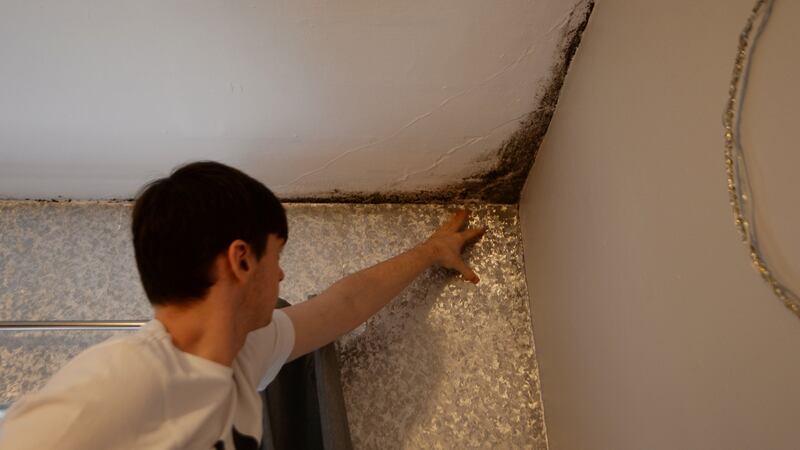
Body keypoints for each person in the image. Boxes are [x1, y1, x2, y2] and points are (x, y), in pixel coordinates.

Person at [0, 161, 484, 449]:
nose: (281, 275)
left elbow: (342, 305)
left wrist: (429, 252)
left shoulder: (243, 354)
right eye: (277, 256)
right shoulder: (119, 383)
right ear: (242, 260)